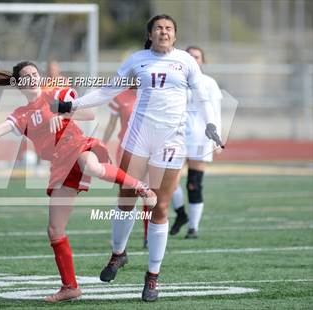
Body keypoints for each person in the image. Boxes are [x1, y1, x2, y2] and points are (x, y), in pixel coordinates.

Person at [51, 15, 223, 301]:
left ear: (175, 35)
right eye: (158, 28)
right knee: (126, 196)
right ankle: (118, 253)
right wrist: (73, 104)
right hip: (139, 137)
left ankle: (153, 276)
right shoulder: (137, 60)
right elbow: (108, 91)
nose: (164, 32)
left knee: (160, 206)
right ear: (150, 33)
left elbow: (203, 98)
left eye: (168, 28)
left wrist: (211, 124)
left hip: (171, 141)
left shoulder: (186, 61)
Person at [0, 61, 157, 302]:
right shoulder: (21, 114)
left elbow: (89, 112)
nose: (33, 77)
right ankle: (70, 287)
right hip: (60, 164)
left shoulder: (55, 92)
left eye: (34, 72)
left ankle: (140, 187)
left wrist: (62, 111)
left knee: (90, 166)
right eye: (26, 75)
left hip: (78, 145)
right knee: (54, 229)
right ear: (19, 84)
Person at [169, 46, 223, 239]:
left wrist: (217, 138)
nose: (193, 59)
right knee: (170, 182)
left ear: (202, 61)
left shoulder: (209, 83)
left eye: (197, 56)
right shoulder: (176, 81)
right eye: (189, 56)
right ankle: (181, 214)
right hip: (178, 136)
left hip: (201, 137)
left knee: (194, 184)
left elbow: (215, 112)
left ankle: (193, 227)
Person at [102, 88, 150, 249]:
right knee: (126, 195)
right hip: (126, 150)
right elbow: (111, 125)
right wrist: (102, 145)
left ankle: (148, 236)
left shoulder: (151, 93)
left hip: (147, 149)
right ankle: (120, 239)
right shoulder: (120, 97)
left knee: (148, 191)